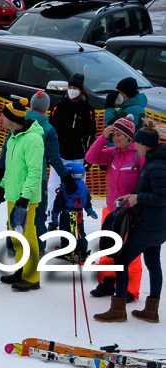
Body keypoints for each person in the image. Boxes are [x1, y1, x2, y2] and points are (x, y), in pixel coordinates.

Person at [94, 120, 166, 323]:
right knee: (153, 263)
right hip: (156, 225)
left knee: (122, 260)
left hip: (150, 225)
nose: (135, 145)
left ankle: (118, 309)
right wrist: (134, 195)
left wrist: (137, 198)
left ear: (144, 144)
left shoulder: (157, 165)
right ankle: (151, 311)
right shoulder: (154, 160)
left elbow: (161, 197)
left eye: (138, 142)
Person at [0, 90, 76, 256]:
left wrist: (2, 173)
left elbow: (6, 148)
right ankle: (38, 249)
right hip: (36, 178)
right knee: (38, 216)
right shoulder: (48, 129)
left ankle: (12, 245)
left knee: (14, 211)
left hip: (14, 176)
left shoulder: (17, 120)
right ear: (46, 108)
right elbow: (54, 158)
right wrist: (66, 177)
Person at [85, 115, 144, 301]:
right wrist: (103, 137)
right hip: (111, 210)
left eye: (120, 135)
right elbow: (91, 157)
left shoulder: (138, 156)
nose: (116, 138)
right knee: (107, 248)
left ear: (129, 137)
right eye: (114, 134)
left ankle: (130, 289)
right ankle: (106, 282)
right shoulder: (112, 152)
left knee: (130, 251)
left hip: (131, 213)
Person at [0, 98, 44, 292]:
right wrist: (2, 186)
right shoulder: (14, 135)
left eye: (3, 115)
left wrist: (25, 197)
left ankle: (32, 277)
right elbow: (12, 167)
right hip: (14, 196)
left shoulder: (33, 139)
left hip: (26, 199)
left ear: (11, 119)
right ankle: (20, 271)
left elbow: (34, 171)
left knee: (28, 237)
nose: (0, 118)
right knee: (16, 236)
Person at [48, 73, 96, 211]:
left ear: (81, 90)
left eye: (75, 87)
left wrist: (89, 157)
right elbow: (51, 132)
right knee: (54, 187)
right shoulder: (58, 107)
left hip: (78, 156)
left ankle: (75, 215)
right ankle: (52, 214)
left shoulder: (87, 110)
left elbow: (90, 135)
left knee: (77, 188)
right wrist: (49, 153)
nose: (72, 90)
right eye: (70, 87)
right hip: (59, 155)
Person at [49, 162, 98, 259]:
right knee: (79, 232)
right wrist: (90, 211)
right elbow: (87, 202)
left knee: (66, 232)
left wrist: (54, 216)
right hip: (78, 214)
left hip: (67, 214)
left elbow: (58, 204)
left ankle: (67, 252)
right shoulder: (85, 189)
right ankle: (82, 251)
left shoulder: (63, 188)